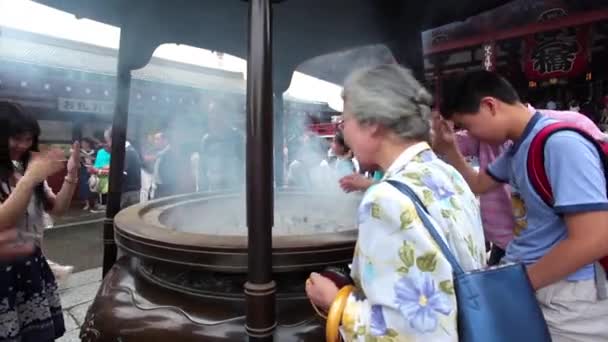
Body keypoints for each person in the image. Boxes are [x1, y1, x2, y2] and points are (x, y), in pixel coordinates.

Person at [305, 64, 485, 341]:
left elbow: (413, 330)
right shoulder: (447, 173)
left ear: (372, 123)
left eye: (345, 122)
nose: (344, 133)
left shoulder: (386, 199)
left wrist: (337, 304)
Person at [434, 70, 608, 341]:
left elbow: (594, 239)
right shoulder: (517, 148)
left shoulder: (561, 145)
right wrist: (450, 150)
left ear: (490, 105)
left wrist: (520, 285)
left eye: (466, 125)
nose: (468, 134)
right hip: (539, 281)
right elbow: (479, 184)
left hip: (566, 292)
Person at [0, 101, 80, 341]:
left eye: (28, 139)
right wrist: (30, 178)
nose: (23, 146)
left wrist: (71, 175)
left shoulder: (25, 171)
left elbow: (57, 209)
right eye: (16, 138)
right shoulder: (28, 175)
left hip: (31, 267)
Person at [78, 137, 97, 210]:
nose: (83, 144)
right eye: (82, 143)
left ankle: (95, 203)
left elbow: (96, 159)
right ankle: (87, 204)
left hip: (93, 170)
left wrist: (86, 156)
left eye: (84, 143)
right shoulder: (80, 151)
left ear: (88, 143)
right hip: (84, 170)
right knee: (84, 186)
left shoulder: (95, 151)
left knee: (95, 185)